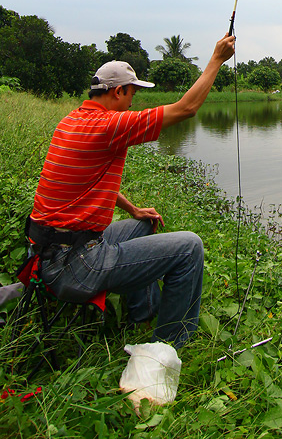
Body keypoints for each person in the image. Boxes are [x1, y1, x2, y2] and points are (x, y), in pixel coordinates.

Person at [26, 33, 235, 349]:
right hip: (75, 266)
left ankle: (144, 314)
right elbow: (187, 108)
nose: (133, 101)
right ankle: (165, 349)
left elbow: (87, 180)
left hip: (47, 254)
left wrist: (132, 209)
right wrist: (216, 59)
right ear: (118, 91)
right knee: (190, 247)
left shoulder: (71, 122)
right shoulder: (109, 125)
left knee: (143, 223)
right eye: (132, 94)